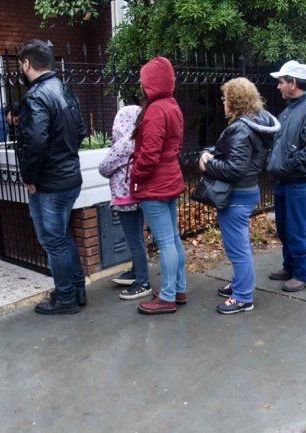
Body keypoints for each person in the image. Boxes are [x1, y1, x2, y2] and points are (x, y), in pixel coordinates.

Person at [16, 39, 88, 315]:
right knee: (61, 237)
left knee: (53, 240)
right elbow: (80, 130)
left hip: (49, 183)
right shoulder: (64, 90)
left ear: (26, 64)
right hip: (68, 177)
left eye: (21, 64)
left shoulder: (36, 96)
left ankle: (67, 297)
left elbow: (34, 142)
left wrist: (30, 175)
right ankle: (76, 288)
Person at [200, 78, 280, 314]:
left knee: (238, 247)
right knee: (239, 244)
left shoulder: (240, 128)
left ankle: (243, 296)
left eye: (225, 98)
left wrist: (208, 164)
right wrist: (213, 154)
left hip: (236, 194)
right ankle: (239, 284)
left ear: (234, 101)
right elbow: (240, 156)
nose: (223, 102)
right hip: (248, 190)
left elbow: (235, 168)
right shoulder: (257, 122)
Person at [267, 60, 306, 292]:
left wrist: (289, 166)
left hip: (299, 182)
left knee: (299, 228)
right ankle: (291, 266)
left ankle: (303, 273)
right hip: (285, 180)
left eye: (282, 82)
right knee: (285, 227)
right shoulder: (288, 111)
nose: (279, 87)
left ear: (293, 83)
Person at [132, 57, 187, 315]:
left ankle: (167, 298)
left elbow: (149, 154)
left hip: (155, 184)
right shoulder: (173, 105)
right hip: (170, 178)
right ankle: (178, 288)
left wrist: (136, 176)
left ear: (151, 83)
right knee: (173, 238)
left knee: (165, 241)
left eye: (143, 80)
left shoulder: (155, 110)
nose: (140, 85)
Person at [98, 105, 152, 301]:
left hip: (124, 197)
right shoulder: (139, 139)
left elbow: (104, 168)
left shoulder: (124, 142)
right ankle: (136, 272)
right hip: (138, 195)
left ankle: (142, 281)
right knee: (138, 236)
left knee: (134, 240)